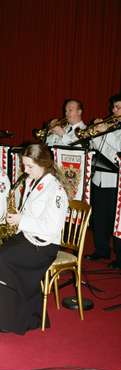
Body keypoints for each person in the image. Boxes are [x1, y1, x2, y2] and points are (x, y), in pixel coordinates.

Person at [0, 143, 69, 334]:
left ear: (44, 164)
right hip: (27, 237)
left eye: (30, 166)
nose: (25, 170)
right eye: (24, 165)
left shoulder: (56, 191)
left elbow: (51, 227)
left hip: (44, 245)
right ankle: (15, 314)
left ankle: (12, 321)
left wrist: (21, 220)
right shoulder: (34, 181)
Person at [85, 93, 121, 269]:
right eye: (114, 107)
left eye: (118, 107)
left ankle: (119, 257)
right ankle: (101, 250)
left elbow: (118, 147)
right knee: (99, 217)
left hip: (116, 181)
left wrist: (105, 130)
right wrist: (96, 133)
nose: (114, 110)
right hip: (99, 178)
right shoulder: (111, 126)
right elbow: (97, 148)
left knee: (115, 220)